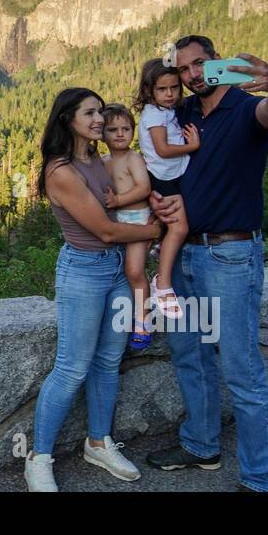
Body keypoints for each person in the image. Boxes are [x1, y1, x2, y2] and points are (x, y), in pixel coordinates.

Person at [143, 36, 268, 492]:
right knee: (189, 354)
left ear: (218, 62)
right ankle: (201, 446)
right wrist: (151, 193)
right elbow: (158, 160)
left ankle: (260, 478)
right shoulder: (182, 113)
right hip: (183, 253)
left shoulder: (247, 110)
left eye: (201, 64)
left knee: (241, 369)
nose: (192, 75)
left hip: (230, 255)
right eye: (184, 69)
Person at [25, 88, 163, 492]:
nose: (100, 119)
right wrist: (154, 230)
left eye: (102, 112)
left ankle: (99, 442)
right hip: (83, 272)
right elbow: (103, 229)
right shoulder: (61, 170)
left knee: (108, 360)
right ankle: (39, 458)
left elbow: (124, 201)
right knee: (71, 368)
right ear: (68, 118)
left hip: (118, 270)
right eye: (90, 113)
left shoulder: (101, 160)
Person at [133, 58, 198, 321]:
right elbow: (163, 149)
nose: (170, 94)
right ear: (149, 91)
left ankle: (161, 249)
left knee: (175, 226)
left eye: (174, 88)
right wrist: (192, 147)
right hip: (163, 178)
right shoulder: (153, 115)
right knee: (179, 227)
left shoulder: (165, 110)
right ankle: (163, 285)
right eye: (162, 89)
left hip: (171, 175)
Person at [99, 104, 157, 350]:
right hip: (115, 222)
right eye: (113, 129)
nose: (120, 134)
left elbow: (144, 188)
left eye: (126, 128)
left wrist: (118, 201)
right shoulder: (103, 161)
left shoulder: (133, 159)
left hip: (136, 220)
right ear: (102, 134)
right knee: (117, 273)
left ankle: (143, 321)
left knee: (134, 271)